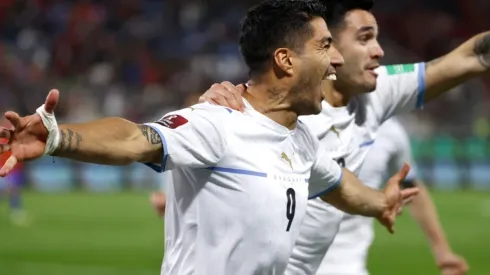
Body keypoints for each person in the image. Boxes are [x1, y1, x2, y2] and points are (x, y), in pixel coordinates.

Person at [0, 1, 418, 274]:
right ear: (286, 60)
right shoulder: (218, 121)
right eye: (326, 46)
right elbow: (134, 138)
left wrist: (382, 202)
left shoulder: (301, 139)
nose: (338, 60)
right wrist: (58, 137)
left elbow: (339, 185)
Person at [197, 0, 488, 274]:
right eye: (364, 39)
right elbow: (210, 140)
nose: (379, 51)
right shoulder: (282, 111)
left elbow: (471, 57)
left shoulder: (374, 93)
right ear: (328, 48)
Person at [321, 117, 467, 275]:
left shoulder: (390, 131)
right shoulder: (305, 119)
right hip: (295, 262)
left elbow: (411, 188)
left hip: (349, 264)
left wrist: (442, 250)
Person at [0, 119, 27, 226]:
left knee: (14, 190)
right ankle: (16, 210)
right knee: (11, 190)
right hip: (6, 168)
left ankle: (16, 210)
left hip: (15, 168)